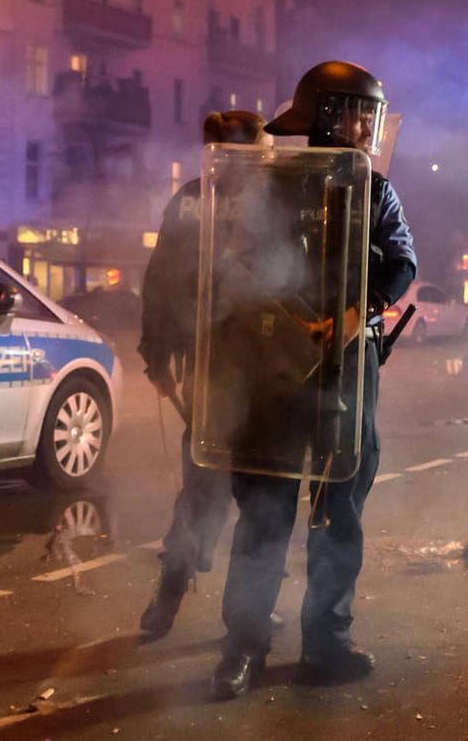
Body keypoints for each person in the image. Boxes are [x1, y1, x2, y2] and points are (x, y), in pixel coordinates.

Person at [211, 61, 416, 700]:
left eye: (369, 114)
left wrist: (355, 317)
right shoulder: (272, 187)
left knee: (340, 510)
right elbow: (235, 265)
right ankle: (243, 647)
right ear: (324, 114)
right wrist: (277, 321)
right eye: (353, 111)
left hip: (348, 368)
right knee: (265, 512)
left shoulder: (376, 191)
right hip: (275, 369)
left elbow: (403, 262)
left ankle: (326, 641)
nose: (364, 126)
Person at [136, 110, 271, 639]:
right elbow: (165, 278)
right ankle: (172, 591)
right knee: (207, 490)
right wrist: (157, 351)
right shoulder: (199, 199)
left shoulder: (274, 196)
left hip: (263, 371)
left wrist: (157, 352)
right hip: (219, 369)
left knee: (258, 499)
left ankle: (250, 608)